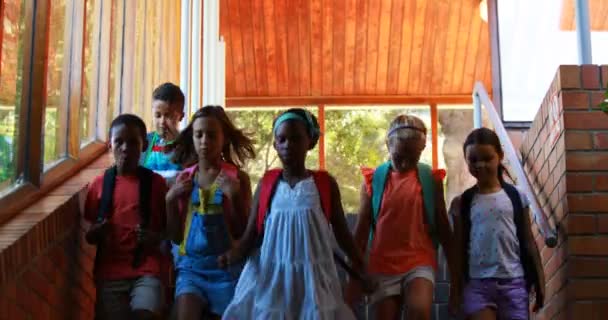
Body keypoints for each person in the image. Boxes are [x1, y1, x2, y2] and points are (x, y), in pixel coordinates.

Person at [219, 108, 370, 319]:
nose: (288, 144)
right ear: (274, 145)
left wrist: (361, 266)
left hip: (313, 280)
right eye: (281, 139)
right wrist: (233, 254)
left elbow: (342, 233)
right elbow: (252, 233)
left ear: (310, 141)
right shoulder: (267, 184)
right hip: (273, 278)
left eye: (296, 138)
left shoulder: (324, 185)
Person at [346, 114, 458, 320]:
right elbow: (361, 232)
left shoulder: (430, 180)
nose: (405, 162)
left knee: (419, 310)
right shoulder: (374, 181)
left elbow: (443, 228)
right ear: (388, 144)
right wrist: (354, 278)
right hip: (382, 263)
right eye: (399, 156)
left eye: (412, 157)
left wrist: (457, 282)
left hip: (419, 260)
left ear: (422, 150)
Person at [165, 106, 255, 320]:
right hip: (191, 270)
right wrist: (170, 201)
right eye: (199, 134)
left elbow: (244, 233)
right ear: (193, 138)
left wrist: (234, 197)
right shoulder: (184, 180)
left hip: (226, 270)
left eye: (212, 135)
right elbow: (177, 237)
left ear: (224, 139)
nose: (205, 140)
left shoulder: (237, 179)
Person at [450, 127, 545, 320]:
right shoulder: (462, 202)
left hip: (514, 284)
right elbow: (458, 249)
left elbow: (528, 241)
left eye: (487, 158)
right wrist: (455, 290)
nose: (480, 165)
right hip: (477, 286)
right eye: (473, 160)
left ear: (500, 156)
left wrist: (540, 283)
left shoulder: (517, 196)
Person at [84, 114, 167, 320]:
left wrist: (153, 238)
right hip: (110, 272)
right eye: (119, 141)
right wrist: (97, 232)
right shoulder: (99, 185)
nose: (125, 148)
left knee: (144, 313)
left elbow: (169, 232)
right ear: (109, 145)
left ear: (144, 145)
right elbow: (90, 235)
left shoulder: (156, 184)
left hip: (147, 268)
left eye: (132, 142)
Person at [141, 82, 186, 184]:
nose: (162, 122)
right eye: (158, 115)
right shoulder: (145, 142)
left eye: (168, 116)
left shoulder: (187, 145)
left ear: (181, 116)